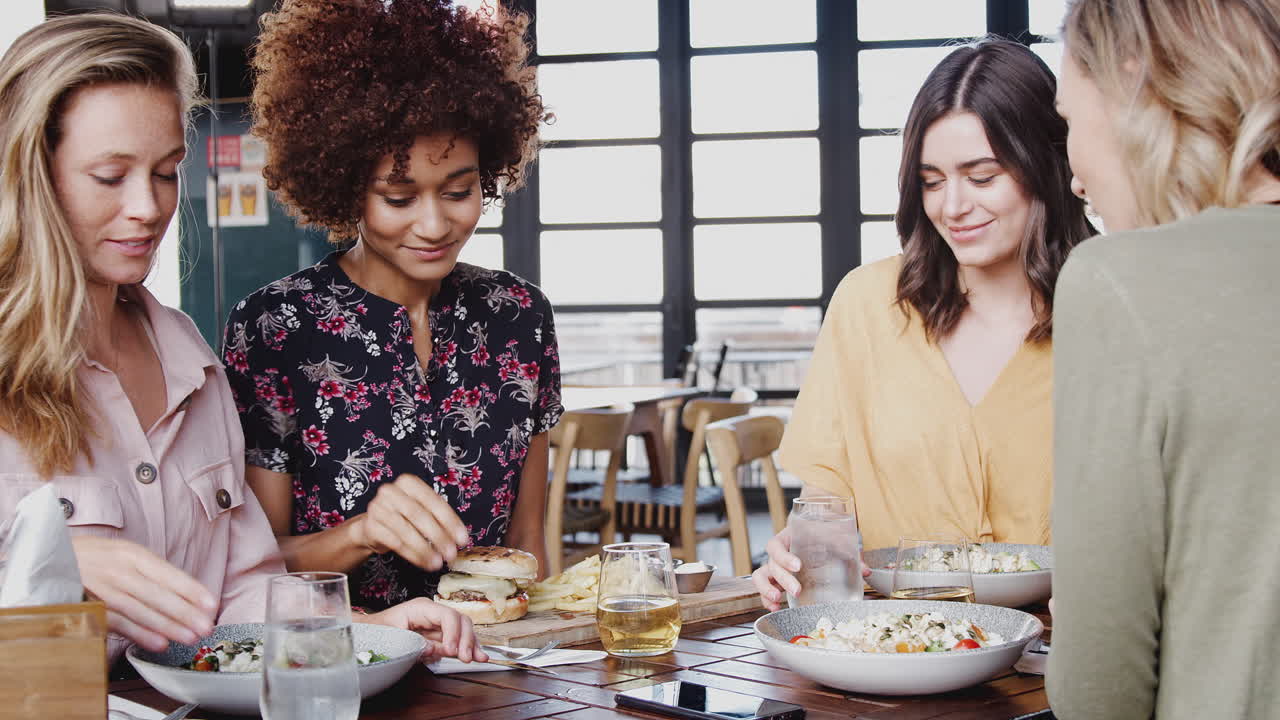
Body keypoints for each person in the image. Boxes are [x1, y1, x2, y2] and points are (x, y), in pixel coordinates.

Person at [0, 12, 486, 667]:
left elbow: (240, 590)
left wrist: (369, 629)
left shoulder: (188, 359)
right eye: (111, 176)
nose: (148, 207)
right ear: (33, 172)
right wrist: (47, 568)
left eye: (167, 171)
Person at [225, 0, 559, 611]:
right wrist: (361, 535)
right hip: (351, 666)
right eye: (398, 198)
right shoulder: (275, 328)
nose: (434, 224)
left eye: (459, 191)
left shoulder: (519, 316)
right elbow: (255, 565)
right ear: (345, 183)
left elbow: (526, 542)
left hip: (491, 668)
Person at [753, 38, 1095, 610]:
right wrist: (796, 555)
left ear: (1047, 165)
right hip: (903, 655)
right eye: (932, 181)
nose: (952, 206)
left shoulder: (1106, 307)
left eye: (982, 177)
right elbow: (825, 506)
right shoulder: (868, 305)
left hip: (1069, 655)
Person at [1047, 1, 1280, 717]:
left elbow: (1099, 690)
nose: (1076, 178)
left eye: (1067, 122)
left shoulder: (1119, 281)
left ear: (1133, 84)